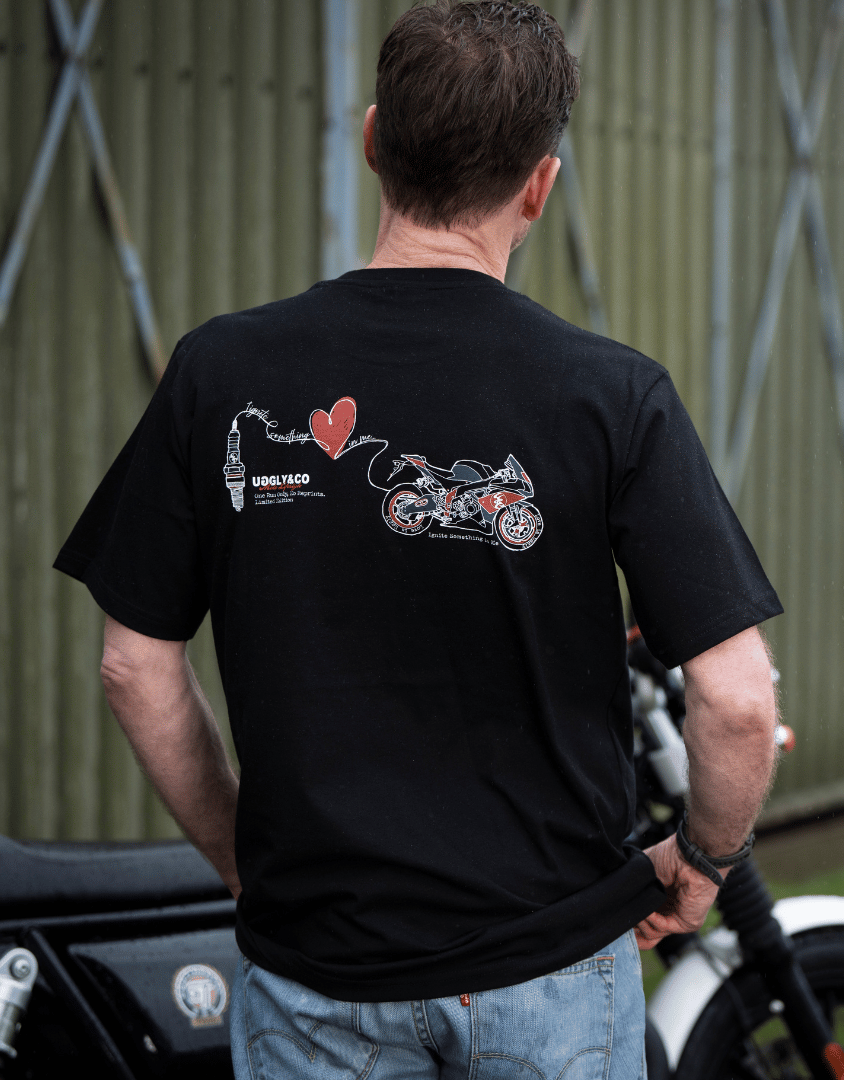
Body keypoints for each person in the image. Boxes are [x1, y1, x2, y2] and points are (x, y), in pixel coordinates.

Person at [54, 2, 782, 1077]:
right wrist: (708, 860)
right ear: (539, 186)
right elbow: (740, 700)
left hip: (317, 975)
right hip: (554, 973)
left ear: (372, 141)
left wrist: (242, 859)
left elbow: (133, 663)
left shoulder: (220, 371)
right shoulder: (612, 395)